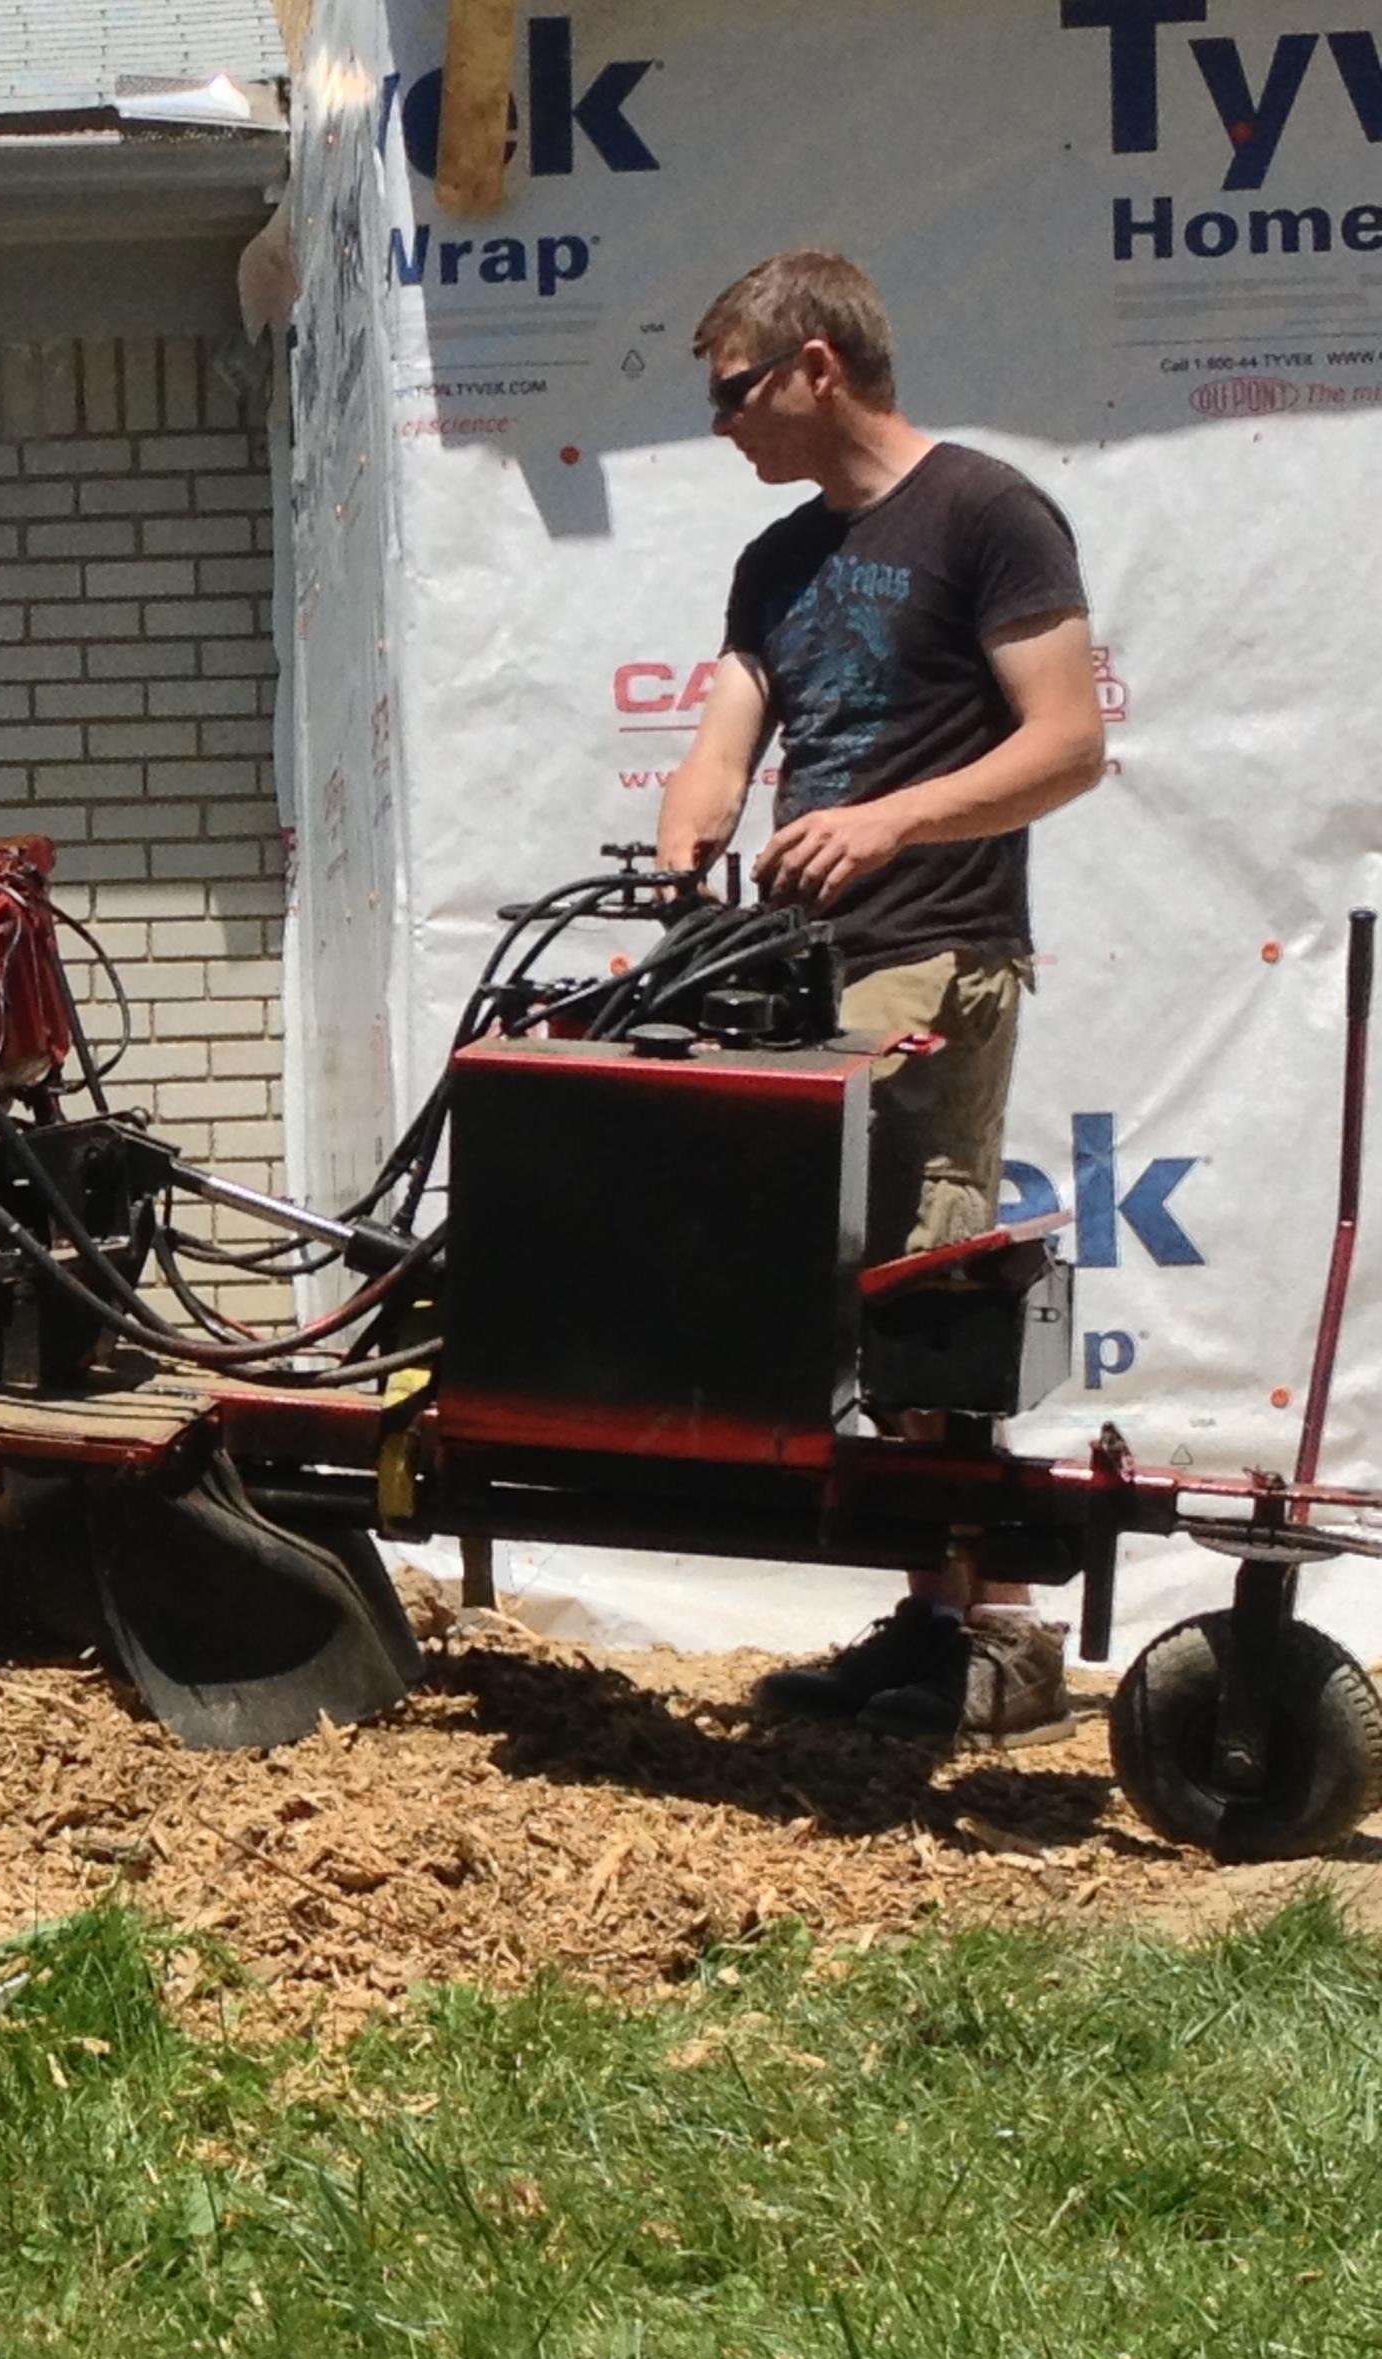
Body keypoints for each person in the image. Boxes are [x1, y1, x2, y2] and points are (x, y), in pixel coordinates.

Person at [654, 250, 1108, 1746]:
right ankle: (924, 1613)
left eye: (733, 391)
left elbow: (1067, 746)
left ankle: (999, 1637)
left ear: (815, 365)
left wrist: (894, 816)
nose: (722, 425)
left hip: (934, 942)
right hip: (796, 968)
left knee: (925, 1290)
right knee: (817, 1300)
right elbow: (727, 736)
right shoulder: (778, 559)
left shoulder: (985, 512)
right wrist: (674, 872)